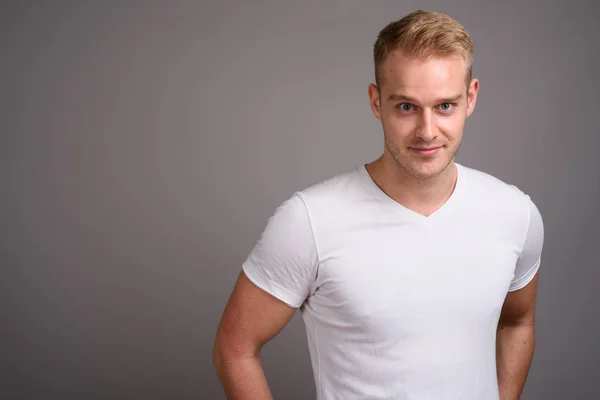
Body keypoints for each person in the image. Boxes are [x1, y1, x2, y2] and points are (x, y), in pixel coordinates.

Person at [212, 9, 544, 400]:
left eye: (444, 106)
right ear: (376, 101)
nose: (427, 131)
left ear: (470, 98)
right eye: (406, 107)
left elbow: (517, 323)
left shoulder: (514, 214)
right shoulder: (310, 221)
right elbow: (234, 349)